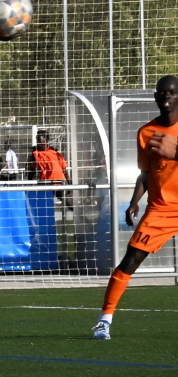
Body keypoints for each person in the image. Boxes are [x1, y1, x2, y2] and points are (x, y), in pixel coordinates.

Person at [92, 75, 178, 340]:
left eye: (172, 93)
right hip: (162, 209)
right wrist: (133, 201)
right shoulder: (145, 133)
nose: (166, 97)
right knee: (130, 260)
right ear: (155, 97)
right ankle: (104, 319)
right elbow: (146, 173)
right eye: (161, 93)